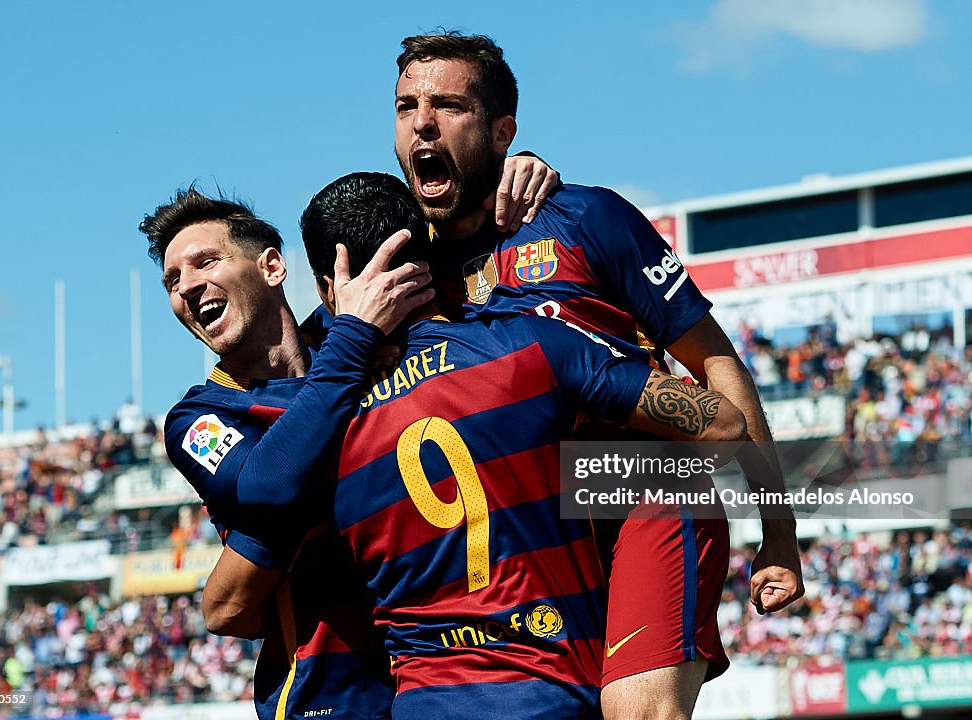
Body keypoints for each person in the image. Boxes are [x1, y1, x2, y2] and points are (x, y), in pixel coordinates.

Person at [392, 31, 804, 719]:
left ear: (502, 131)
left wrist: (780, 534)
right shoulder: (405, 271)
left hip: (643, 490)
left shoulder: (586, 217)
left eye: (447, 105)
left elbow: (716, 361)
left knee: (636, 712)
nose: (422, 122)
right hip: (525, 536)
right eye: (406, 106)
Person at [295, 171, 747, 717]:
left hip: (422, 704)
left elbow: (230, 597)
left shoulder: (319, 426)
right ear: (434, 258)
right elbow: (723, 423)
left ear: (327, 289)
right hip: (548, 693)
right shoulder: (528, 348)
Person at [142, 160, 559, 720]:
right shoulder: (201, 415)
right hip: (330, 697)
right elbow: (271, 485)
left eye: (206, 261)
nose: (188, 285)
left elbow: (419, 239)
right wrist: (356, 338)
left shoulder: (357, 333)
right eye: (172, 281)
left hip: (445, 679)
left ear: (272, 266)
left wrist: (504, 176)